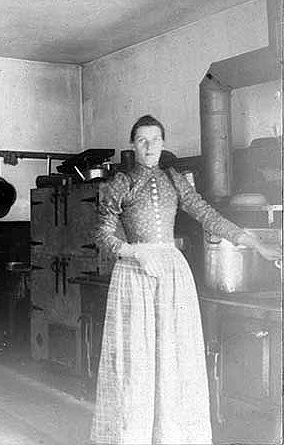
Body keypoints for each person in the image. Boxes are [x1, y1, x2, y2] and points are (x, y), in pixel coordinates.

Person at [90, 115, 281, 445]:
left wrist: (257, 245)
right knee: (137, 360)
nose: (149, 147)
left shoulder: (175, 180)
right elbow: (102, 235)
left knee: (171, 357)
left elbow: (209, 216)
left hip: (172, 274)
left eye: (155, 140)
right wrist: (136, 252)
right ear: (133, 145)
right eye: (142, 141)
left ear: (163, 144)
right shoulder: (120, 183)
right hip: (136, 274)